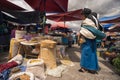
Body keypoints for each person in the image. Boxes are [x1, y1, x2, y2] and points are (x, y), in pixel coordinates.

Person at [79, 8, 106, 74]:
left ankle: (84, 68)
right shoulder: (94, 21)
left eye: (81, 15)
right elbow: (95, 30)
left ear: (84, 15)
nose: (80, 17)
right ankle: (92, 68)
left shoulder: (86, 21)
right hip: (93, 40)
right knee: (92, 53)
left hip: (86, 40)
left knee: (85, 53)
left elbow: (84, 31)